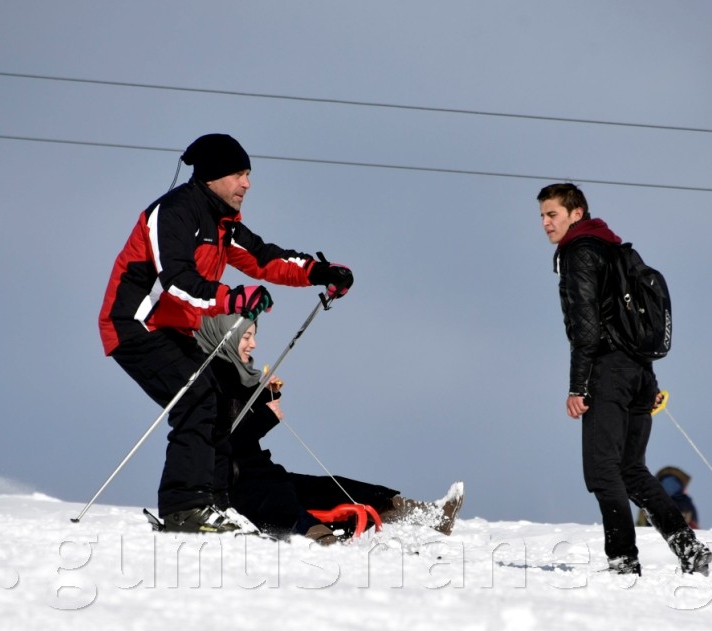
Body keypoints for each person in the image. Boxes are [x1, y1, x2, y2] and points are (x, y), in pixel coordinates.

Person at [98, 133, 354, 534]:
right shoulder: (174, 212)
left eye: (248, 174)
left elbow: (264, 258)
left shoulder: (223, 223)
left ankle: (215, 503)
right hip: (134, 324)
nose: (247, 184)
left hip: (174, 328)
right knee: (196, 398)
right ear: (213, 176)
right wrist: (233, 298)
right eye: (239, 174)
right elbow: (176, 280)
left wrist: (318, 272)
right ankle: (185, 508)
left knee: (218, 398)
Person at [538, 182, 711, 576]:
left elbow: (587, 328)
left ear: (576, 213)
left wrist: (578, 386)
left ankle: (622, 561)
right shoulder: (616, 248)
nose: (546, 224)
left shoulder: (579, 252)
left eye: (553, 214)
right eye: (543, 217)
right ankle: (689, 548)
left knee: (603, 472)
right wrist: (647, 379)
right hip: (639, 374)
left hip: (607, 374)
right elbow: (632, 322)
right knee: (631, 469)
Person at [194, 313, 464, 544]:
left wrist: (266, 395)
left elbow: (243, 424)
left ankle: (433, 515)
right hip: (235, 486)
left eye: (253, 336)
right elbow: (221, 442)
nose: (253, 344)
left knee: (335, 487)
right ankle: (322, 542)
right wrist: (265, 416)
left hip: (264, 473)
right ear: (226, 336)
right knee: (285, 502)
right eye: (246, 337)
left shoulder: (237, 375)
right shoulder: (207, 381)